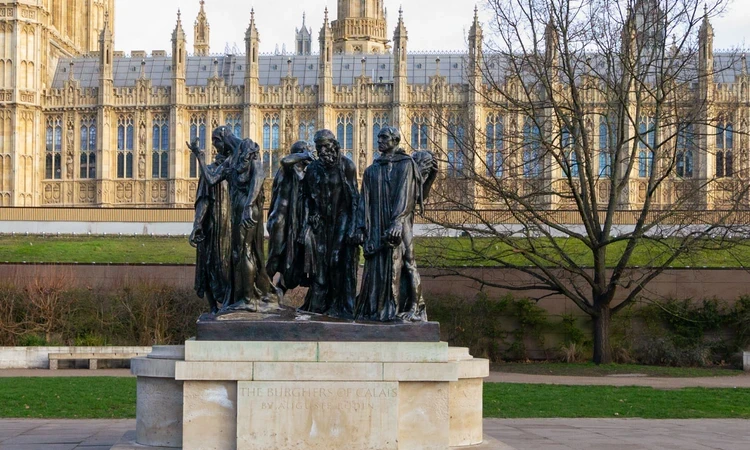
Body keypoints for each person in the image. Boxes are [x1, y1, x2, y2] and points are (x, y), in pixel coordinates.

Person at [189, 126, 281, 313]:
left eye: (215, 142)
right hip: (239, 209)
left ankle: (247, 299)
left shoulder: (247, 146)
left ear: (222, 137)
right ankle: (252, 294)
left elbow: (259, 174)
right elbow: (212, 178)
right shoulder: (231, 158)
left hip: (248, 209)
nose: (215, 148)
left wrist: (248, 205)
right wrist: (199, 156)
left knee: (245, 251)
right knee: (241, 253)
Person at [352, 126, 437, 322]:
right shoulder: (372, 170)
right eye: (378, 137)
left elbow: (406, 196)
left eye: (384, 137)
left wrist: (397, 221)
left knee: (408, 262)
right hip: (377, 224)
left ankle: (414, 307)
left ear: (395, 141)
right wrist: (360, 227)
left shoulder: (406, 164)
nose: (379, 141)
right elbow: (363, 201)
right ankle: (376, 307)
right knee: (376, 263)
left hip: (400, 222)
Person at [298, 129, 359, 319]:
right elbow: (306, 198)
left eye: (325, 146)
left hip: (342, 219)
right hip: (321, 223)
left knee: (336, 259)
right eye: (319, 147)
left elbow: (354, 199)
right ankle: (320, 304)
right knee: (321, 264)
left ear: (334, 145)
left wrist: (356, 227)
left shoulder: (346, 166)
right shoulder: (314, 169)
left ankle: (338, 304)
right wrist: (312, 215)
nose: (323, 150)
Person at [189, 136, 232, 313]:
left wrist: (199, 157)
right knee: (207, 263)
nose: (215, 145)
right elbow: (203, 200)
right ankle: (214, 307)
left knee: (225, 263)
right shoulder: (215, 170)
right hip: (212, 223)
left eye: (217, 141)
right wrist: (197, 224)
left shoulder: (233, 169)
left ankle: (226, 305)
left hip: (227, 225)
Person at [266, 141, 315, 293]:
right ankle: (263, 288)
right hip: (281, 218)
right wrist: (306, 154)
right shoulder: (287, 169)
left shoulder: (306, 173)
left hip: (296, 220)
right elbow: (284, 160)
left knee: (292, 258)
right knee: (276, 253)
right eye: (305, 151)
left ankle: (280, 290)